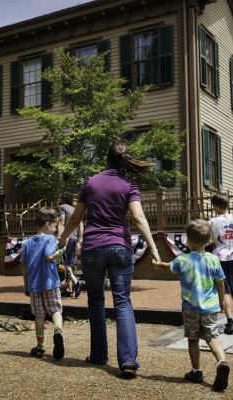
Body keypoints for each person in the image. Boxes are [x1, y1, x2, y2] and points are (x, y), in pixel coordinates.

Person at [58, 142, 161, 377]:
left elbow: (75, 218)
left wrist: (63, 239)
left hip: (93, 248)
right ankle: (127, 362)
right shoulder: (129, 185)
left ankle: (98, 355)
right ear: (124, 160)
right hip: (119, 247)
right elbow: (138, 217)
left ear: (106, 160)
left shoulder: (90, 183)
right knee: (123, 302)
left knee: (95, 301)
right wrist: (153, 249)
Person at [154, 218, 230, 392]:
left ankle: (196, 371)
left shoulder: (183, 260)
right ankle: (221, 362)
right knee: (213, 338)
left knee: (193, 339)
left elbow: (167, 267)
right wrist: (221, 301)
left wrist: (156, 264)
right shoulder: (213, 260)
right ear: (209, 240)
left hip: (190, 308)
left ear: (187, 240)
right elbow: (220, 283)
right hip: (210, 308)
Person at [20, 207, 65, 360]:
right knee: (55, 310)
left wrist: (26, 286)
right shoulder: (50, 239)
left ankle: (40, 347)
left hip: (34, 285)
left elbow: (24, 266)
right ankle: (57, 330)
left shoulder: (29, 242)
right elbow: (49, 257)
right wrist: (62, 250)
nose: (54, 229)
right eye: (54, 226)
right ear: (47, 224)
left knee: (39, 314)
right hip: (50, 282)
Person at [209, 192, 233, 334]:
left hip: (220, 257)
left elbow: (210, 239)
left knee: (224, 289)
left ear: (216, 206)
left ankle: (230, 322)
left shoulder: (212, 222)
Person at [57, 191, 83, 298]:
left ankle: (76, 282)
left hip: (66, 238)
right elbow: (81, 226)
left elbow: (61, 223)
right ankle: (69, 289)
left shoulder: (62, 207)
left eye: (60, 197)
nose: (58, 199)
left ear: (64, 198)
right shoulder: (75, 209)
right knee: (69, 264)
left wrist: (59, 237)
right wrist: (79, 241)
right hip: (73, 239)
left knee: (63, 262)